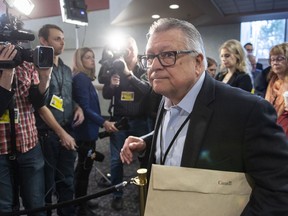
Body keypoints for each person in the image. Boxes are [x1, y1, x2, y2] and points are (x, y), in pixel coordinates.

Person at [120, 18, 288, 215]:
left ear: (198, 62)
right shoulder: (167, 98)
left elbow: (278, 191)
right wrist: (148, 141)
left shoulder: (248, 110)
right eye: (149, 57)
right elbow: (180, 126)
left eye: (167, 55)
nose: (154, 66)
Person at [35, 24, 84, 216]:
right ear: (44, 41)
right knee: (46, 185)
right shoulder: (38, 68)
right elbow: (40, 106)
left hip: (66, 130)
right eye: (57, 38)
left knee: (67, 181)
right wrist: (61, 133)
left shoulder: (64, 69)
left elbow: (66, 97)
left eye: (63, 38)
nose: (62, 42)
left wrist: (78, 107)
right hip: (46, 135)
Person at [0, 44, 55, 215]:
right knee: (4, 207)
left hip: (29, 142)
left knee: (36, 203)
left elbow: (37, 102)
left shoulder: (26, 63)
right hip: (1, 148)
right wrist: (7, 71)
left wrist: (45, 77)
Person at [100, 35, 151, 210]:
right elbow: (106, 94)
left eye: (130, 48)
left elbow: (148, 91)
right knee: (116, 160)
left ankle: (145, 192)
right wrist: (112, 85)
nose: (127, 52)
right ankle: (117, 194)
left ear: (135, 49)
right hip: (120, 121)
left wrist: (129, 75)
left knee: (145, 160)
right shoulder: (115, 67)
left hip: (141, 122)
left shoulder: (143, 68)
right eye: (124, 48)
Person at [72, 47, 118, 215]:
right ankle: (80, 206)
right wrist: (103, 122)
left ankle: (81, 199)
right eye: (87, 58)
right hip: (84, 131)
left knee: (83, 169)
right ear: (80, 60)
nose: (92, 60)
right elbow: (85, 107)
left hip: (87, 130)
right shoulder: (81, 79)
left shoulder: (83, 78)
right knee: (84, 170)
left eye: (92, 57)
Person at [265, 43, 288, 136]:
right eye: (272, 59)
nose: (275, 62)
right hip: (272, 122)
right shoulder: (273, 81)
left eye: (279, 59)